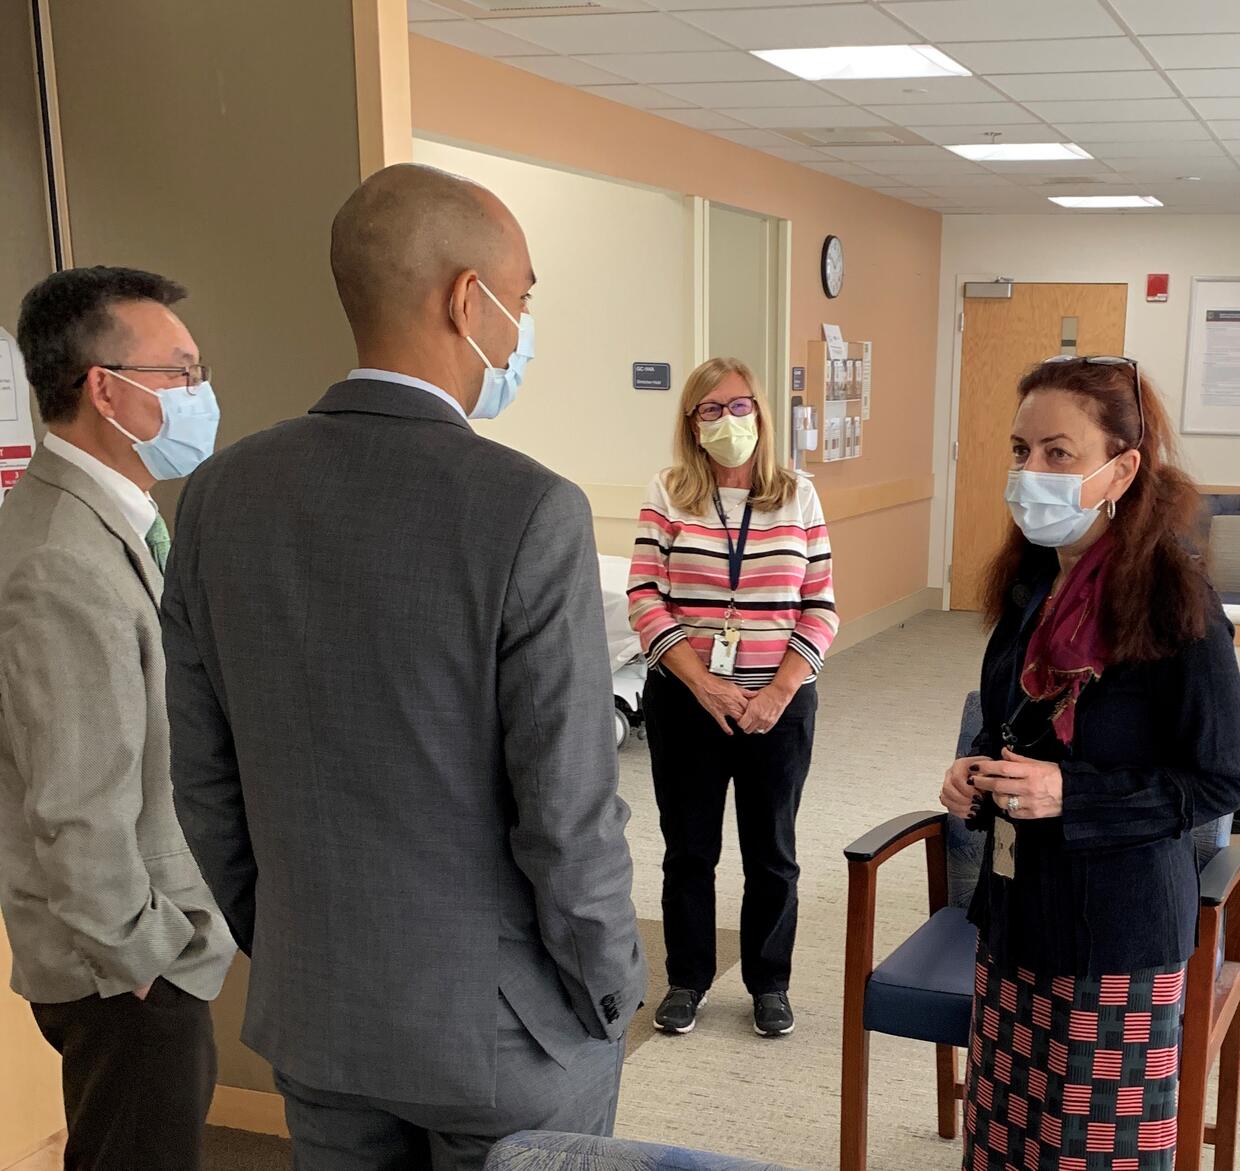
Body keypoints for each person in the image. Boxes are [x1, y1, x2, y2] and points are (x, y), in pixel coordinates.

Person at [160, 164, 645, 1171]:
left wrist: (287, 940)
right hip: (507, 1036)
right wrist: (611, 989)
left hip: (318, 1013)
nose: (519, 328)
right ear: (469, 300)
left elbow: (204, 778)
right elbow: (566, 812)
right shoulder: (529, 510)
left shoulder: (218, 496)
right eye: (523, 301)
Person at [939, 356, 1240, 1171]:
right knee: (1005, 1140)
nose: (1027, 473)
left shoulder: (1181, 605)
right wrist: (973, 770)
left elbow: (1218, 779)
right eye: (1019, 449)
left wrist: (1071, 794)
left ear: (1122, 467)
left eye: (1057, 453)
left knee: (1092, 1154)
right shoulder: (1033, 586)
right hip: (1015, 915)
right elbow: (1011, 723)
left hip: (1117, 937)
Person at [0, 267, 234, 1171]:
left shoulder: (113, 521)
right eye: (182, 373)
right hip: (122, 970)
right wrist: (147, 961)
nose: (202, 393)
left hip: (137, 953)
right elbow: (74, 802)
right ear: (105, 385)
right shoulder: (60, 558)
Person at [627, 357, 837, 1039]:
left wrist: (778, 690)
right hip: (688, 701)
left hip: (778, 706)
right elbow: (645, 596)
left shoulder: (798, 494)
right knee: (689, 849)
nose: (727, 421)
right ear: (692, 422)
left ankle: (768, 981)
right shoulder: (669, 491)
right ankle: (687, 978)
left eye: (739, 405)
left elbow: (821, 606)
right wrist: (702, 680)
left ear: (760, 412)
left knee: (771, 849)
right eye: (709, 410)